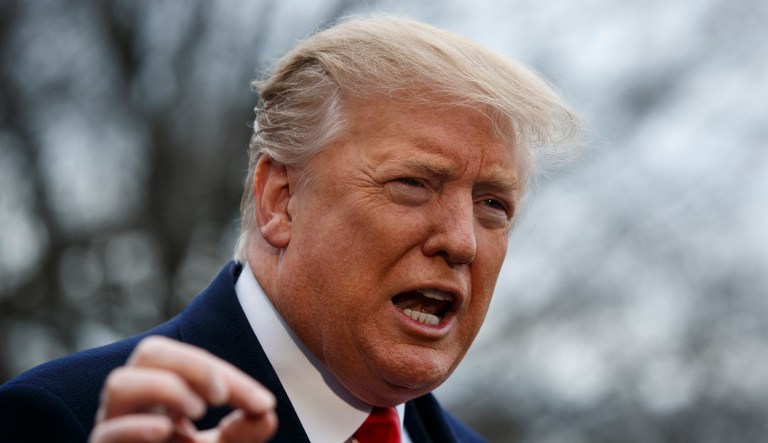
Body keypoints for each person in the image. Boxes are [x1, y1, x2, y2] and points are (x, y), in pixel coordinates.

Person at [0, 14, 580, 443]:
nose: (461, 240)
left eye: (493, 205)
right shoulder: (59, 421)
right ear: (280, 200)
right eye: (413, 184)